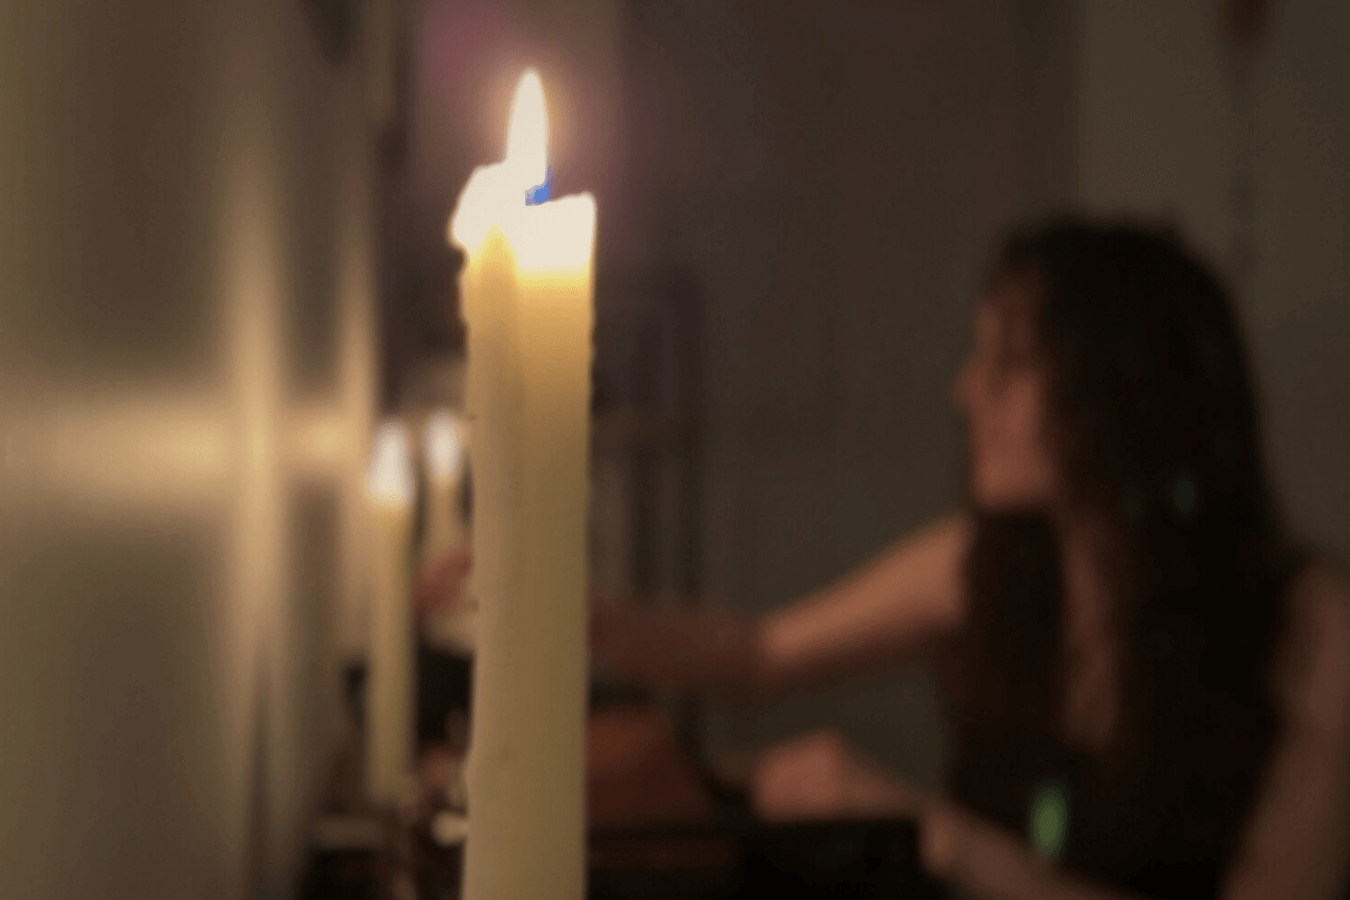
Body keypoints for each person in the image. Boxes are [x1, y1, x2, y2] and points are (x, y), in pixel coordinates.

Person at [422, 218, 1350, 900]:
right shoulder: (993, 566)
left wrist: (935, 836)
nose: (965, 391)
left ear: (1120, 388)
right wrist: (548, 591)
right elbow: (758, 654)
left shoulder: (1312, 633)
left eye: (1007, 362)